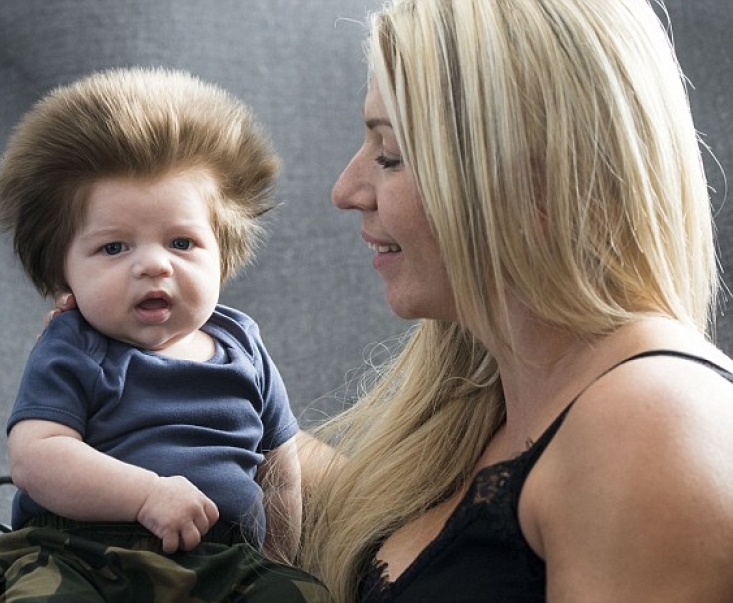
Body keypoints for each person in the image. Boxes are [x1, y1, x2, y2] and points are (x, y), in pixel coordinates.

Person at [298, 0, 733, 601]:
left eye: (390, 153)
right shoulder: (492, 399)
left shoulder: (648, 424)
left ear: (533, 176)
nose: (346, 191)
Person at [0, 67, 331, 602]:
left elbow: (279, 471)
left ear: (226, 251)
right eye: (114, 248)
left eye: (181, 242)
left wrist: (276, 560)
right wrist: (144, 495)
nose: (154, 266)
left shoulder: (244, 346)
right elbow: (36, 458)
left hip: (224, 558)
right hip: (80, 553)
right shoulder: (74, 345)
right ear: (62, 276)